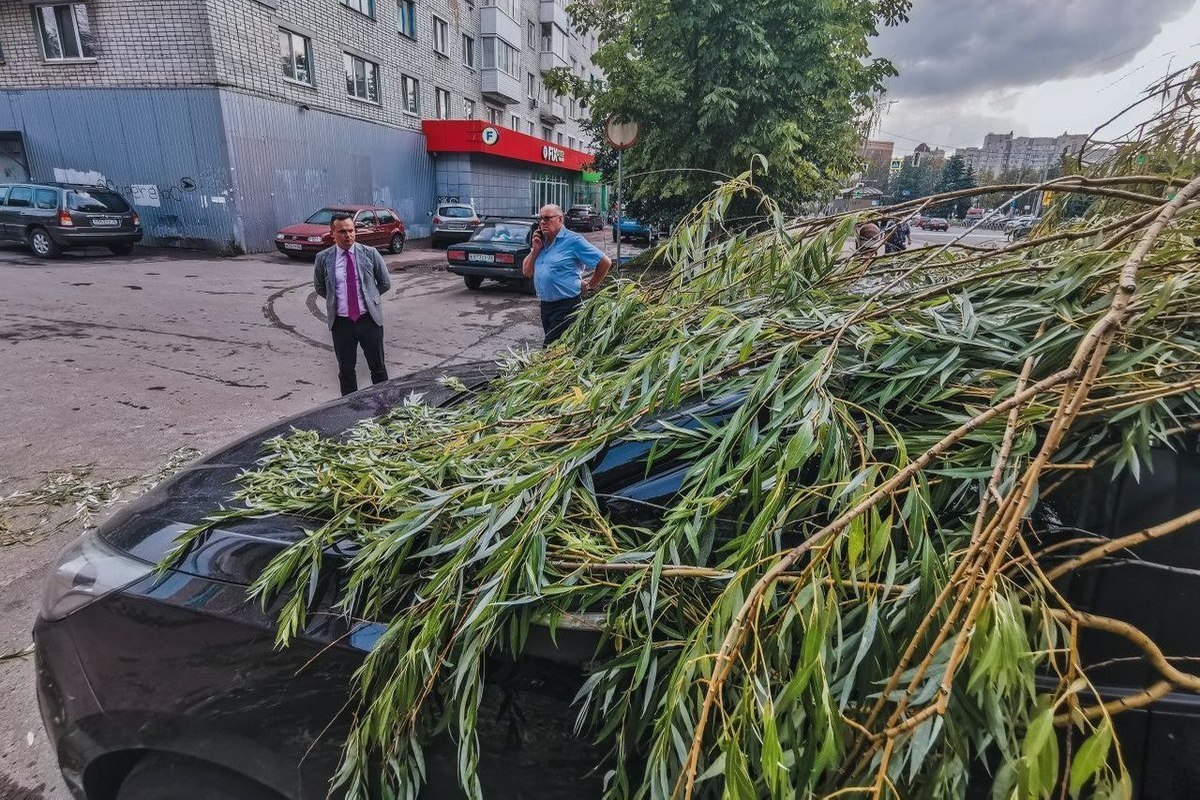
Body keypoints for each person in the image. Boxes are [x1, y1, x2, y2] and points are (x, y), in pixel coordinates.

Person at [313, 213, 392, 395]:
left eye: (351, 231)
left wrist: (368, 298)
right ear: (332, 233)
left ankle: (384, 406)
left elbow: (385, 283)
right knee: (346, 371)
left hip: (369, 321)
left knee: (378, 368)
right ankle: (350, 412)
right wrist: (340, 301)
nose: (347, 235)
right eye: (342, 232)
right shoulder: (323, 258)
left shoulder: (370, 254)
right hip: (342, 324)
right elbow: (320, 287)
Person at [522, 203, 613, 346]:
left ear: (560, 219)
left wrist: (590, 285)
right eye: (540, 219)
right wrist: (535, 250)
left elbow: (605, 263)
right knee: (559, 349)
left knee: (550, 347)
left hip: (567, 306)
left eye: (547, 218)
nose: (542, 223)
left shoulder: (574, 241)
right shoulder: (541, 243)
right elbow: (527, 272)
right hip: (546, 306)